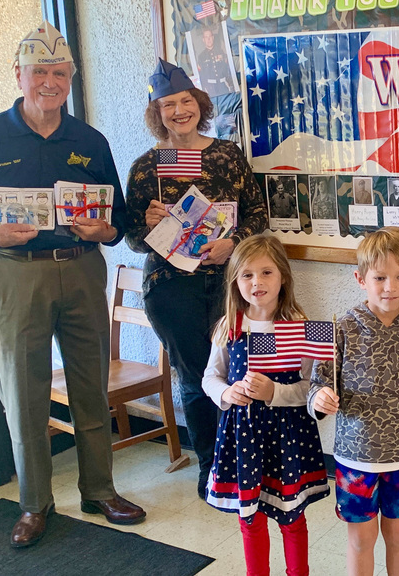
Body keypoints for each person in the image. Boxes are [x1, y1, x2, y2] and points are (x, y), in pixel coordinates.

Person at [0, 21, 145, 547]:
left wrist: (107, 230)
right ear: (19, 76)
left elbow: (117, 217)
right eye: (38, 72)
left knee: (89, 384)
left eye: (58, 72)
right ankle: (35, 503)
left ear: (69, 78)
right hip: (15, 276)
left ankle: (99, 488)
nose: (48, 82)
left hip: (81, 268)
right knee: (23, 391)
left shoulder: (89, 139)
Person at [125, 58, 267, 499]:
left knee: (238, 371)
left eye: (186, 100)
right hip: (171, 288)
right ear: (156, 112)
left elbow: (258, 215)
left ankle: (245, 460)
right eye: (167, 104)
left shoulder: (227, 154)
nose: (178, 110)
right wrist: (146, 224)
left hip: (230, 282)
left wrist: (234, 242)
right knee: (194, 377)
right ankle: (211, 469)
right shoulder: (148, 166)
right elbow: (130, 236)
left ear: (199, 104)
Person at [308, 227, 399, 576]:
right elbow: (319, 382)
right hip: (356, 459)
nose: (390, 287)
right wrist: (320, 397)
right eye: (380, 277)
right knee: (360, 541)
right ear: (360, 278)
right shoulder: (343, 329)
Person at [202, 235, 330, 576]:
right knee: (251, 516)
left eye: (266, 272)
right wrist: (227, 393)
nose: (257, 282)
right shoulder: (230, 327)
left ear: (283, 277)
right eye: (246, 274)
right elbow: (209, 377)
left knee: (292, 518)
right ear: (235, 281)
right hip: (244, 437)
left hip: (288, 436)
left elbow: (311, 387)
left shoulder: (301, 327)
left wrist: (274, 391)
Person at [196, 26, 235, 96]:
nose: (208, 39)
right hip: (210, 89)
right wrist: (204, 89)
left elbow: (228, 70)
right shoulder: (201, 57)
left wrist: (231, 85)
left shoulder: (221, 52)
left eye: (210, 36)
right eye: (206, 37)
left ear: (213, 38)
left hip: (224, 86)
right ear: (203, 40)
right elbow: (201, 75)